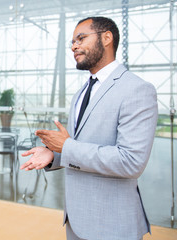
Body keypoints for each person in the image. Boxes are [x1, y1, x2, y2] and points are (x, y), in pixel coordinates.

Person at [20, 17, 158, 240]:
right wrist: (53, 154)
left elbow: (131, 161)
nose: (74, 46)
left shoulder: (137, 90)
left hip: (112, 224)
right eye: (72, 42)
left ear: (106, 38)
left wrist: (66, 147)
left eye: (81, 38)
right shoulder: (82, 92)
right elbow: (77, 145)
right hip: (76, 220)